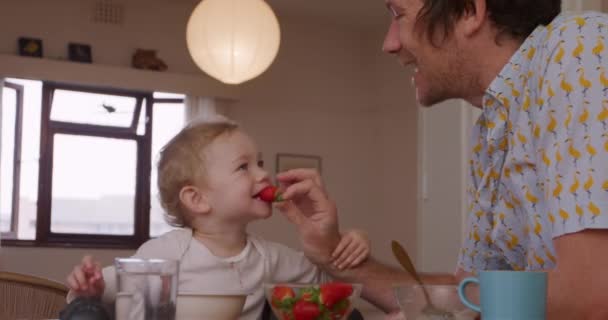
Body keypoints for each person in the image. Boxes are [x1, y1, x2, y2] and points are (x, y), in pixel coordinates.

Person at [274, 1, 608, 319]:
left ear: (469, 11)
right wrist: (335, 254)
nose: (389, 44)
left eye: (398, 14)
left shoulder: (579, 48)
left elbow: (592, 298)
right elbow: (466, 295)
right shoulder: (490, 131)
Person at [65, 117, 371, 320]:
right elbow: (107, 288)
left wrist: (344, 246)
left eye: (260, 163)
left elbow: (333, 292)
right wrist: (87, 291)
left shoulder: (271, 258)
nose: (264, 174)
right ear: (197, 199)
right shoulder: (167, 253)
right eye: (244, 167)